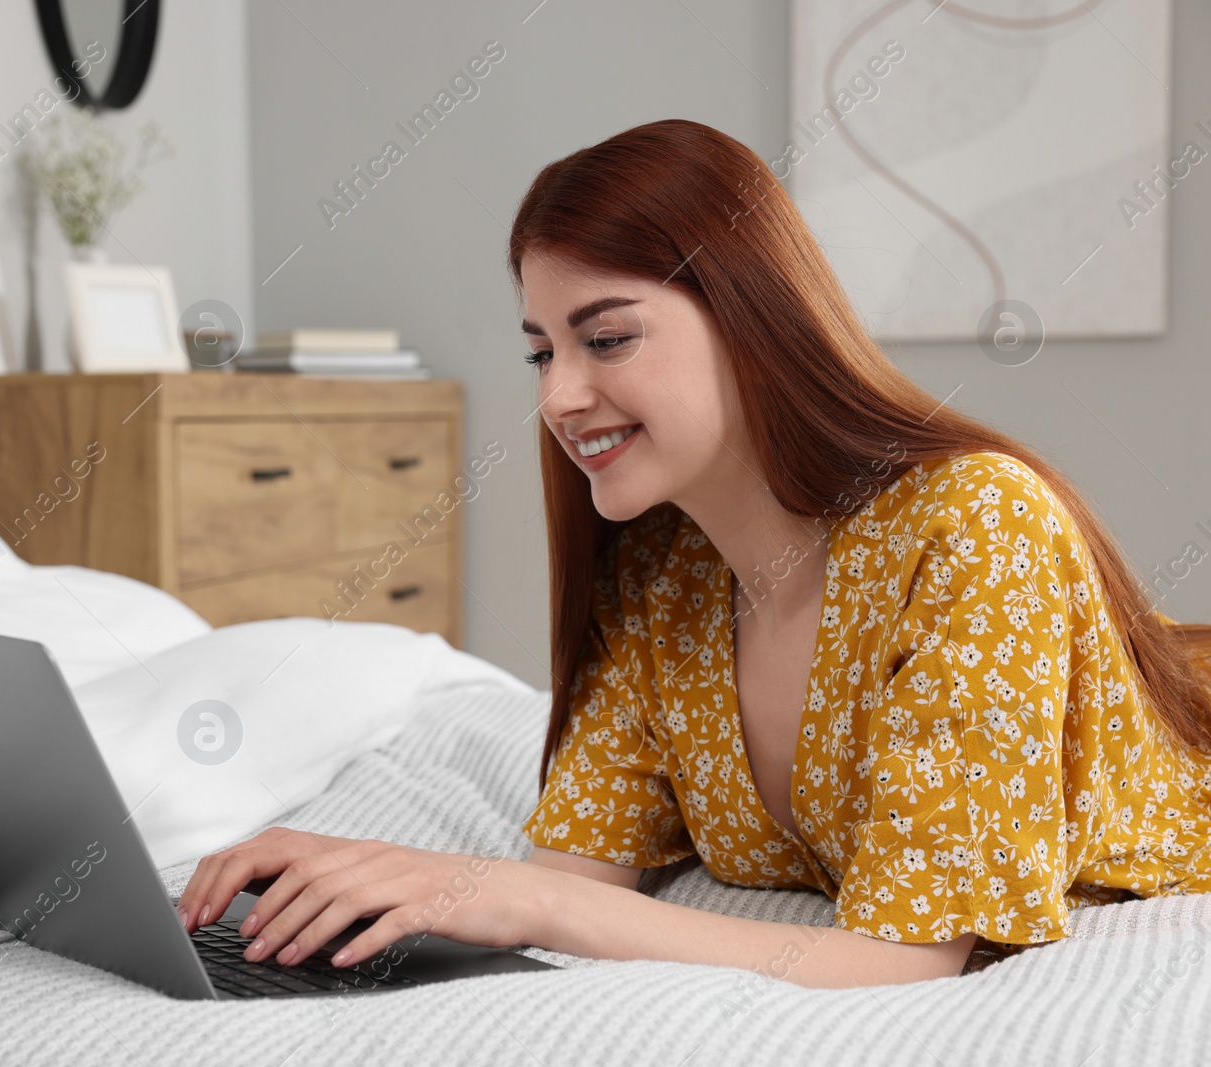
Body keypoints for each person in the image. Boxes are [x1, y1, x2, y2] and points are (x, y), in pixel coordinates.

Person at [175, 119, 1211, 988]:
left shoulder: (975, 525)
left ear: (753, 321)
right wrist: (372, 872)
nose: (557, 397)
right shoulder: (661, 573)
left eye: (607, 337)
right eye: (541, 350)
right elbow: (575, 870)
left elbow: (902, 958)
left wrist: (520, 897)